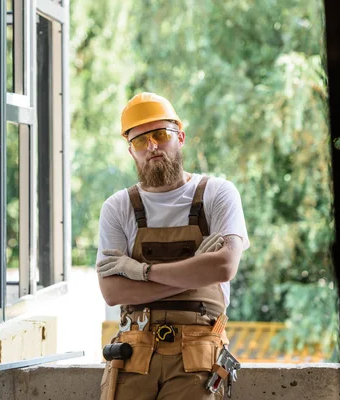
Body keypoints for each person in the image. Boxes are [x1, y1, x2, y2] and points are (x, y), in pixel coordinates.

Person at [96, 92, 250, 400]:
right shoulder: (118, 207)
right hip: (134, 352)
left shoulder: (218, 194)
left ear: (179, 137)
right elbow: (114, 292)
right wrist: (195, 273)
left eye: (160, 134)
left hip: (199, 353)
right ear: (131, 152)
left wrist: (140, 271)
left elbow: (223, 267)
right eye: (140, 140)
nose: (152, 146)